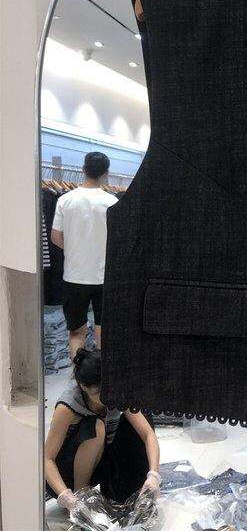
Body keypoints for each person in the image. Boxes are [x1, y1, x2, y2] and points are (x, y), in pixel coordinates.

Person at [44, 349, 161, 513]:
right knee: (96, 426)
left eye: (109, 391)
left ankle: (123, 490)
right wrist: (66, 496)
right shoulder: (68, 405)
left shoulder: (117, 394)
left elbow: (148, 435)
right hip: (66, 477)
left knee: (141, 417)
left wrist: (154, 474)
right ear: (84, 387)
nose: (106, 398)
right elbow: (47, 458)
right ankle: (83, 498)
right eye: (99, 393)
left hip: (100, 464)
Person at [50, 151, 118, 357]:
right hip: (105, 276)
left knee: (76, 333)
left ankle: (79, 375)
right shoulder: (113, 202)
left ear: (83, 170)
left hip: (74, 276)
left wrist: (75, 248)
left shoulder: (65, 200)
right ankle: (103, 373)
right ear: (106, 174)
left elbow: (55, 237)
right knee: (103, 330)